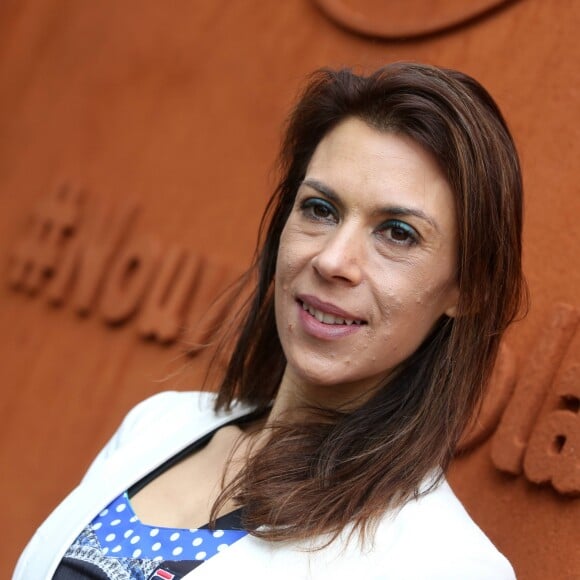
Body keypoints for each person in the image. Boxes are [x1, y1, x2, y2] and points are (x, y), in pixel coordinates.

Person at [14, 62, 525, 579]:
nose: (332, 260)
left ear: (467, 289)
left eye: (397, 233)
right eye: (321, 209)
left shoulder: (443, 564)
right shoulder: (160, 425)